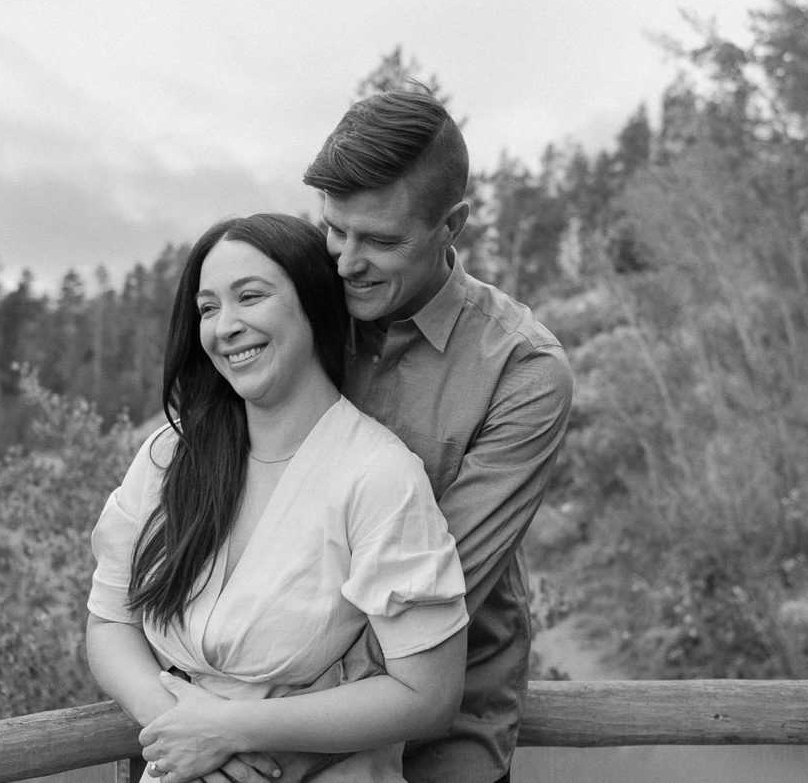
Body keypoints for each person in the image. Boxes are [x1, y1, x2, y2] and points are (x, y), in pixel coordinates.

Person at [86, 213, 470, 783]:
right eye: (208, 307)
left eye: (250, 297)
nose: (226, 326)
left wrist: (233, 731)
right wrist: (181, 728)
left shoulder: (376, 475)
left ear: (314, 304)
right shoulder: (172, 455)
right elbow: (108, 620)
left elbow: (429, 695)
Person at [296, 86, 575, 783]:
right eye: (334, 229)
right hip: (263, 696)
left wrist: (264, 729)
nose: (344, 262)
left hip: (441, 739)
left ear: (453, 224)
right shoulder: (300, 309)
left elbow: (435, 590)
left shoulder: (522, 371)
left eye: (380, 241)